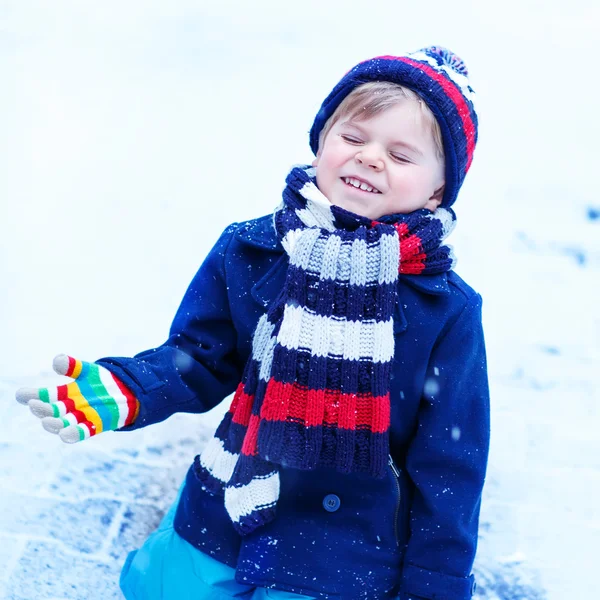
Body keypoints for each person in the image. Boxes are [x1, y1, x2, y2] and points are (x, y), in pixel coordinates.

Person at [16, 46, 489, 600]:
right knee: (158, 586)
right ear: (322, 143)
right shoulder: (253, 249)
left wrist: (433, 586)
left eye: (401, 154)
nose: (370, 158)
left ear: (438, 190)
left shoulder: (446, 309)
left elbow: (449, 466)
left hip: (343, 549)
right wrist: (130, 387)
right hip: (227, 498)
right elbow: (199, 358)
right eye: (354, 138)